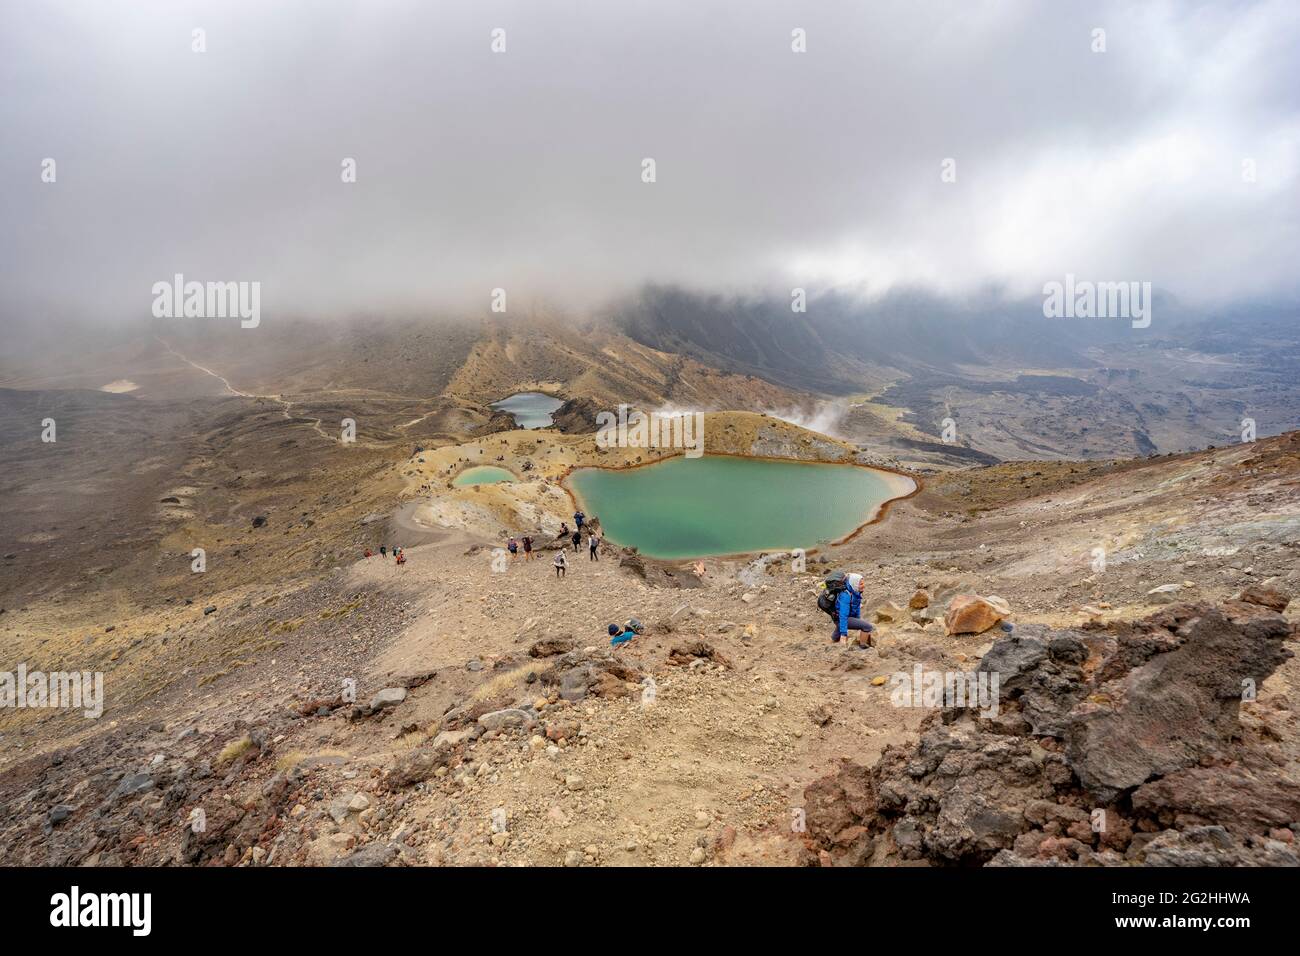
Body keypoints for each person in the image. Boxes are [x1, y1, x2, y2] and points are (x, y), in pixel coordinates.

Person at [833, 572, 874, 647]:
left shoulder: (855, 592)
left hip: (841, 618)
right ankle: (862, 646)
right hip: (841, 618)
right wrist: (843, 635)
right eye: (861, 584)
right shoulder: (846, 595)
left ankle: (833, 639)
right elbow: (843, 615)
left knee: (834, 639)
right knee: (868, 627)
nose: (863, 586)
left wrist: (858, 620)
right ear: (854, 583)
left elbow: (856, 607)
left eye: (863, 583)